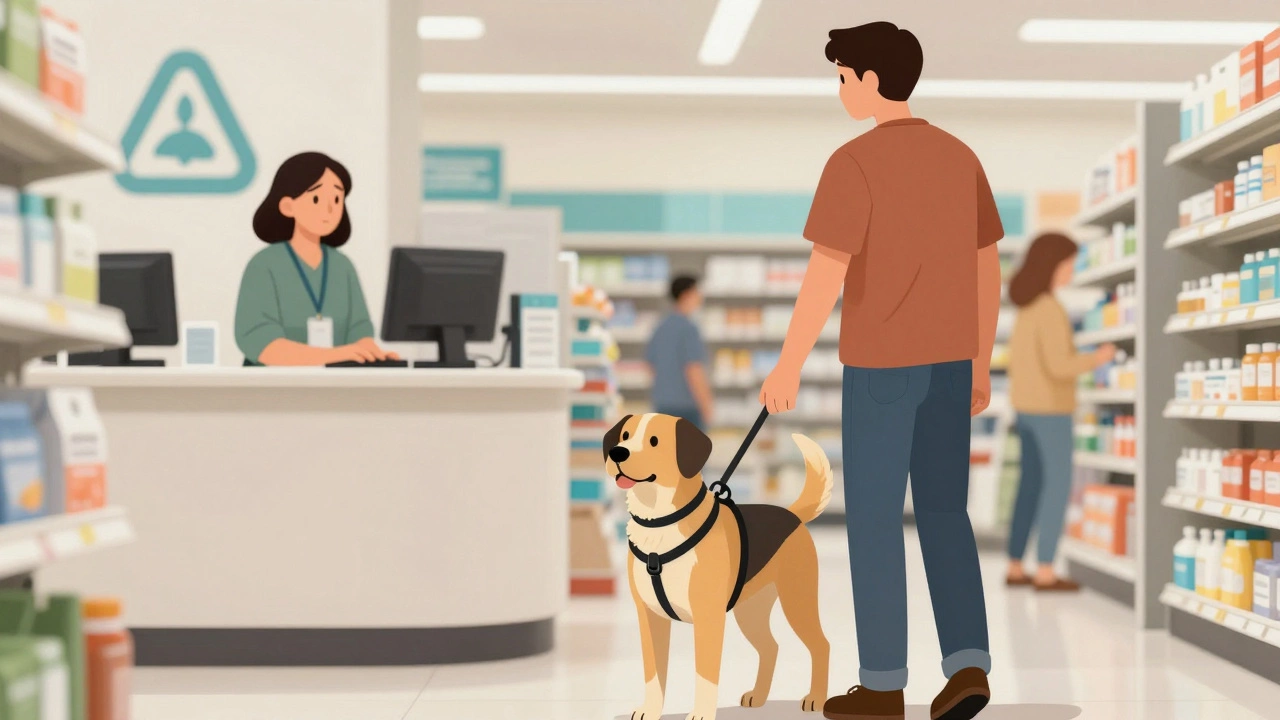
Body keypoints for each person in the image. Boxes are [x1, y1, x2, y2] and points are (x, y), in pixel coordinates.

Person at [760, 22, 1001, 720]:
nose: (839, 90)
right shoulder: (961, 157)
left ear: (870, 81)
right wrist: (980, 360)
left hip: (882, 367)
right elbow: (987, 266)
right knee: (945, 512)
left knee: (871, 520)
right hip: (953, 364)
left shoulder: (853, 163)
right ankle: (968, 666)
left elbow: (825, 273)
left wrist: (788, 364)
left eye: (842, 77)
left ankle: (884, 684)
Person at [1005, 233, 1116, 591]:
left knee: (1029, 486)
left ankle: (1015, 565)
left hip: (1025, 410)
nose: (1071, 271)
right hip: (1051, 411)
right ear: (1051, 266)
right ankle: (1046, 571)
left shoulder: (1026, 307)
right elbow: (1059, 365)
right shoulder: (1050, 308)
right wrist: (1097, 358)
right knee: (1057, 487)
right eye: (1068, 264)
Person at [235, 152, 398, 366]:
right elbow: (264, 345)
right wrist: (337, 355)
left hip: (332, 392)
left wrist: (371, 353)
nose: (329, 209)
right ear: (287, 206)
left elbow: (359, 330)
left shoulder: (342, 266)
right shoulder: (264, 265)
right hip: (275, 392)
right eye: (316, 199)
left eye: (337, 199)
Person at [645, 275, 713, 429]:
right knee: (690, 452)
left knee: (665, 451)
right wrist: (707, 405)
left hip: (662, 405)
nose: (700, 297)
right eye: (697, 292)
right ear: (686, 295)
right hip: (687, 409)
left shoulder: (660, 327)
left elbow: (650, 366)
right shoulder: (689, 329)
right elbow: (694, 370)